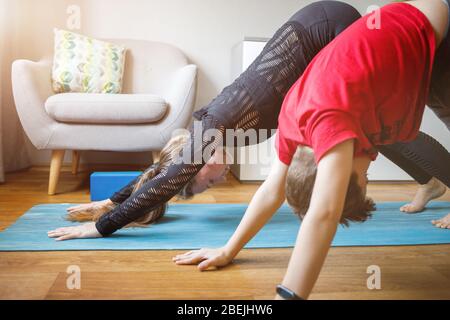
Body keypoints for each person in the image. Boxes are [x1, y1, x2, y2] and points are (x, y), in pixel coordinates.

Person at [48, 0, 450, 241]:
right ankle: (429, 182)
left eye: (206, 179)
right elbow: (159, 174)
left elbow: (167, 180)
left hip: (324, 28)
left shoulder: (212, 126)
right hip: (318, 31)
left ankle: (434, 180)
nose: (218, 179)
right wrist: (108, 200)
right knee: (381, 120)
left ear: (195, 162)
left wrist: (102, 227)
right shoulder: (213, 134)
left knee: (381, 121)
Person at [172, 0, 449, 299]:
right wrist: (228, 249)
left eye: (362, 177)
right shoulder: (294, 125)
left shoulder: (331, 117)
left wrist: (289, 295)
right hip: (421, 47)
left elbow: (325, 212)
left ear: (338, 171)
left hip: (436, 24)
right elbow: (270, 192)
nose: (369, 168)